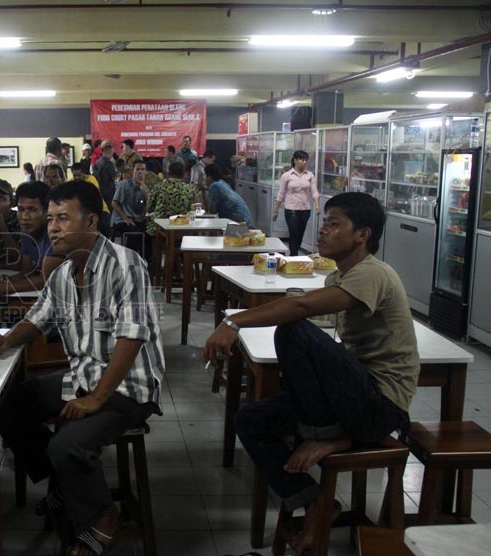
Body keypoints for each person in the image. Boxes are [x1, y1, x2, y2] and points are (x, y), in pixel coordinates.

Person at [205, 193, 417, 556]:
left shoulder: (372, 273)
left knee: (292, 329)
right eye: (325, 222)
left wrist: (233, 321)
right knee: (250, 419)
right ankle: (316, 501)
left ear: (363, 234)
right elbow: (314, 309)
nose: (323, 231)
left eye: (334, 224)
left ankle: (326, 436)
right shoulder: (342, 274)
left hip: (380, 407)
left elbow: (301, 308)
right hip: (353, 398)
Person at [0, 181, 164, 556]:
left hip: (127, 388)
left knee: (68, 445)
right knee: (10, 404)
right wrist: (9, 338)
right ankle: (63, 486)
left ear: (93, 221)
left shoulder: (125, 265)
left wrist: (97, 399)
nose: (53, 227)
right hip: (83, 380)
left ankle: (103, 516)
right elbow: (39, 317)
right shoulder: (64, 275)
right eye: (51, 219)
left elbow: (131, 339)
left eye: (64, 218)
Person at [0, 181, 64, 309]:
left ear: (47, 212)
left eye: (32, 210)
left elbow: (47, 279)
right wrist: (11, 279)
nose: (25, 217)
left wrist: (3, 288)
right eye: (21, 210)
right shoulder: (27, 232)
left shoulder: (55, 234)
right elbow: (28, 272)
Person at [275, 149, 319, 255]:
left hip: (305, 209)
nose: (304, 162)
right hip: (291, 209)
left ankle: (294, 253)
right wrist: (275, 210)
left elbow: (314, 191)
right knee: (293, 232)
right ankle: (294, 255)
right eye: (302, 160)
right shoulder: (287, 175)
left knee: (300, 234)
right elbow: (281, 193)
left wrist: (317, 205)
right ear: (295, 160)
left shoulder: (310, 175)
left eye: (305, 160)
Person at [111, 159, 150, 261]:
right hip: (121, 219)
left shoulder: (145, 188)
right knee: (135, 233)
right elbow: (114, 203)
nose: (140, 172)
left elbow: (147, 209)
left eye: (143, 169)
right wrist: (125, 218)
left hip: (137, 219)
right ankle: (134, 259)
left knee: (149, 233)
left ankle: (145, 260)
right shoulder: (124, 184)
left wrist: (145, 193)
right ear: (133, 170)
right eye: (138, 169)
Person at [146, 161, 196, 236]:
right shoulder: (189, 189)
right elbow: (190, 210)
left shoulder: (158, 187)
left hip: (160, 229)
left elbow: (149, 208)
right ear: (183, 175)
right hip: (181, 229)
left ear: (169, 174)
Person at [71, 163, 111, 236]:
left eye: (79, 175)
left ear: (84, 173)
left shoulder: (91, 179)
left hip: (100, 209)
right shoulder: (71, 182)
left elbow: (93, 197)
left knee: (104, 225)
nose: (77, 178)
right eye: (74, 176)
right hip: (82, 211)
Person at [93, 143, 117, 213]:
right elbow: (114, 177)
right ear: (109, 152)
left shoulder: (97, 162)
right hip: (109, 191)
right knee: (110, 210)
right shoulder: (109, 164)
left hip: (100, 189)